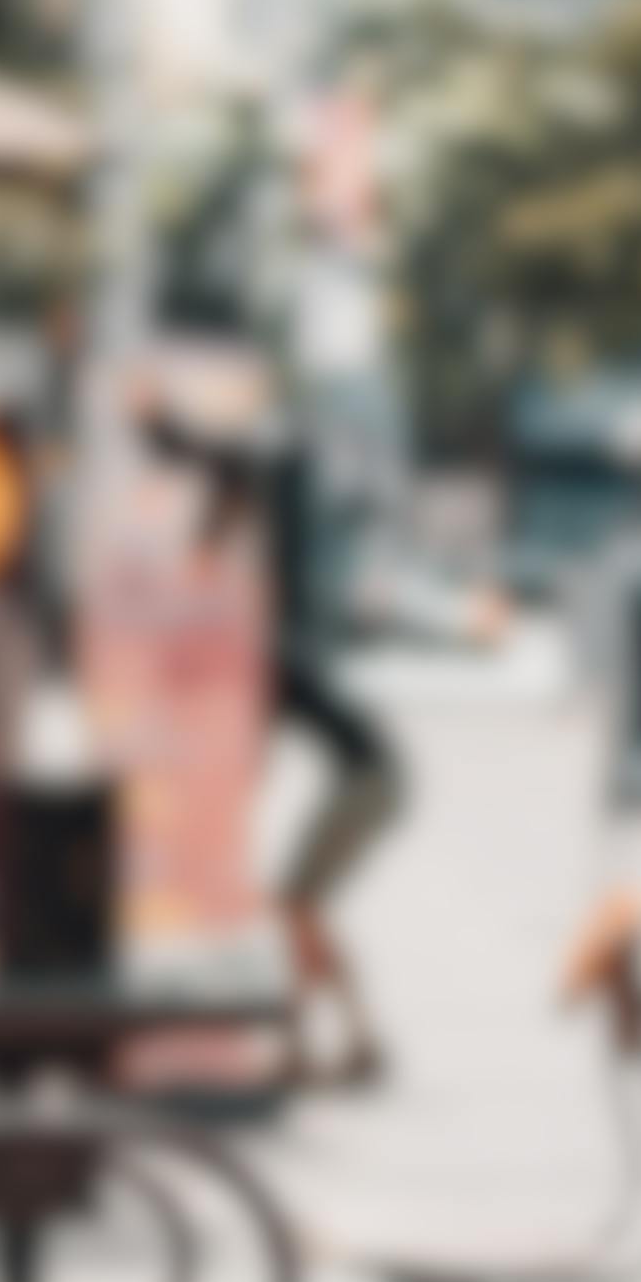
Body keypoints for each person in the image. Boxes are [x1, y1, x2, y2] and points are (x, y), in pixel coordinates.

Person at [147, 382, 408, 1087]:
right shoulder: (271, 629)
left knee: (294, 907)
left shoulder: (266, 645)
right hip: (374, 776)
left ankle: (322, 1041)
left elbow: (250, 752)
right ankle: (350, 1038)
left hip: (372, 782)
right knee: (299, 909)